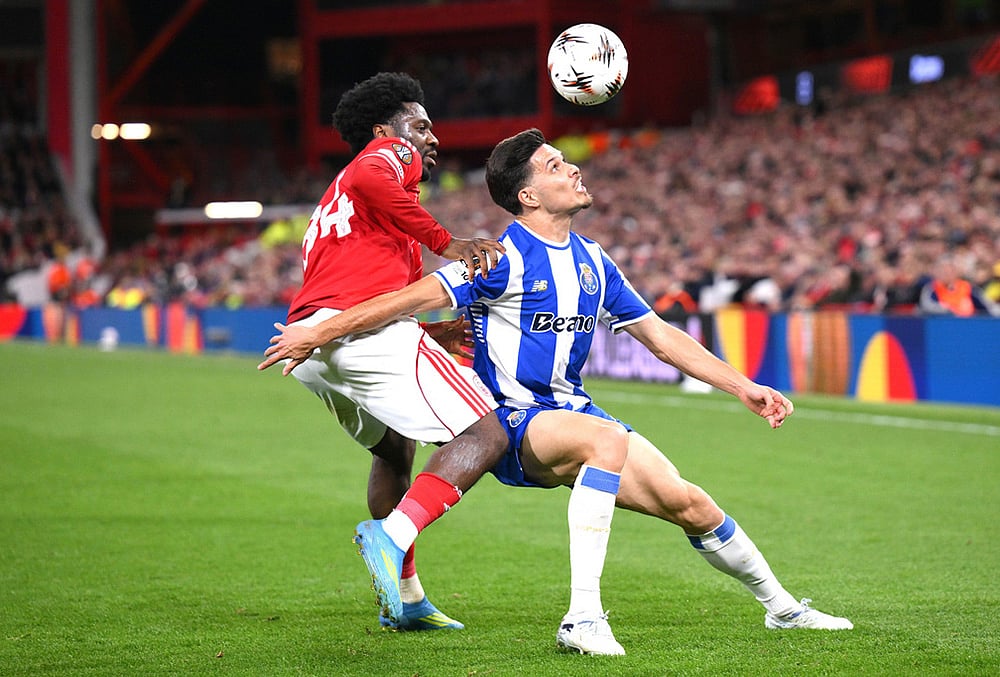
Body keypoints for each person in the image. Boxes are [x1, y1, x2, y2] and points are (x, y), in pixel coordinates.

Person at [259, 128, 853, 654]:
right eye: (553, 166)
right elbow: (404, 301)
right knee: (605, 443)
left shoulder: (595, 260)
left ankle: (783, 609)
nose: (572, 169)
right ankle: (583, 619)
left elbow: (661, 336)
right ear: (527, 196)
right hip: (513, 421)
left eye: (566, 161)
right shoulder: (500, 257)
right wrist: (322, 330)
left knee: (690, 503)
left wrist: (741, 386)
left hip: (573, 411)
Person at [269, 71, 514, 631]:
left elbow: (358, 290)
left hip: (315, 346)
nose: (431, 138)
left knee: (393, 450)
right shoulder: (384, 156)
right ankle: (392, 533)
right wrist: (447, 243)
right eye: (420, 126)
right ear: (384, 129)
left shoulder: (353, 210)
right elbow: (377, 176)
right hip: (351, 336)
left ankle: (404, 599)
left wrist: (431, 333)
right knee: (486, 433)